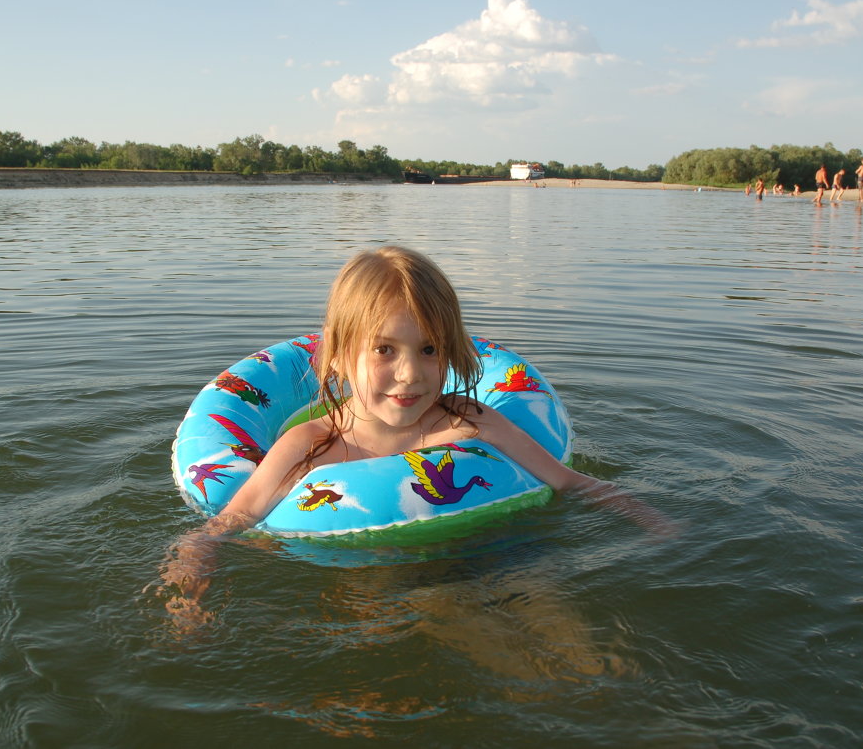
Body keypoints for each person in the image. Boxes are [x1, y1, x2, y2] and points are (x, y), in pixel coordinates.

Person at [162, 246, 673, 621]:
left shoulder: (469, 420)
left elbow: (567, 481)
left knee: (565, 630)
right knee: (444, 615)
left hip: (494, 555)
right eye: (384, 350)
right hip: (373, 583)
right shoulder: (310, 446)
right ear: (338, 356)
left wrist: (656, 524)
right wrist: (190, 584)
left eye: (429, 350)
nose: (410, 375)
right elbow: (230, 522)